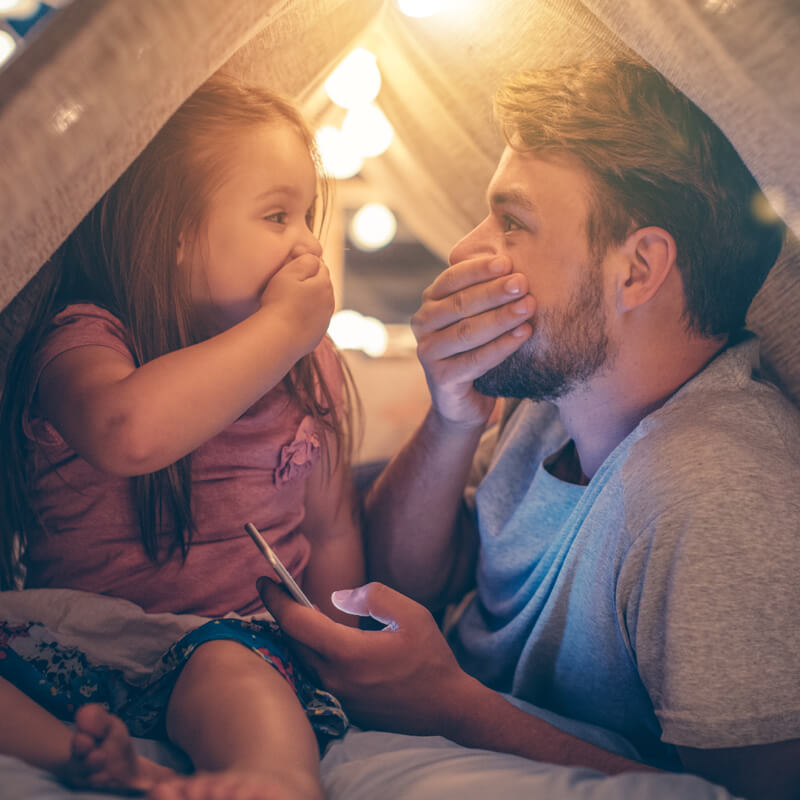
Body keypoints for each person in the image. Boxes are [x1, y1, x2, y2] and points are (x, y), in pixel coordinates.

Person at [258, 59, 800, 800]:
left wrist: (449, 705)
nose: (465, 249)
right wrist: (453, 418)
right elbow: (401, 581)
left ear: (637, 270)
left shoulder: (715, 488)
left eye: (512, 221)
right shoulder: (552, 397)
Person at [0, 73, 363, 800]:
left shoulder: (306, 366)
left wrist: (341, 651)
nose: (306, 247)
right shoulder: (84, 338)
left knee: (232, 675)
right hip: (66, 645)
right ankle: (86, 757)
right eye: (276, 216)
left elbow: (328, 532)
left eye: (308, 215)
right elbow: (127, 433)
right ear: (171, 233)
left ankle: (272, 781)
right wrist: (283, 327)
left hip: (226, 642)